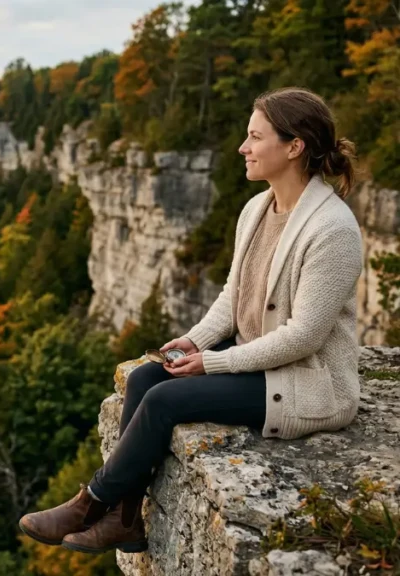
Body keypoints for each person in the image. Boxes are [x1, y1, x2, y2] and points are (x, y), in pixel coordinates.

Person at [18, 87, 365, 554]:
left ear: (294, 146)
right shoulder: (257, 208)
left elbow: (304, 337)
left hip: (306, 380)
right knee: (146, 377)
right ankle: (126, 521)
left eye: (254, 136)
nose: (242, 147)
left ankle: (92, 500)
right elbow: (233, 296)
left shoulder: (333, 229)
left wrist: (213, 364)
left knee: (164, 402)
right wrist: (194, 341)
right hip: (259, 359)